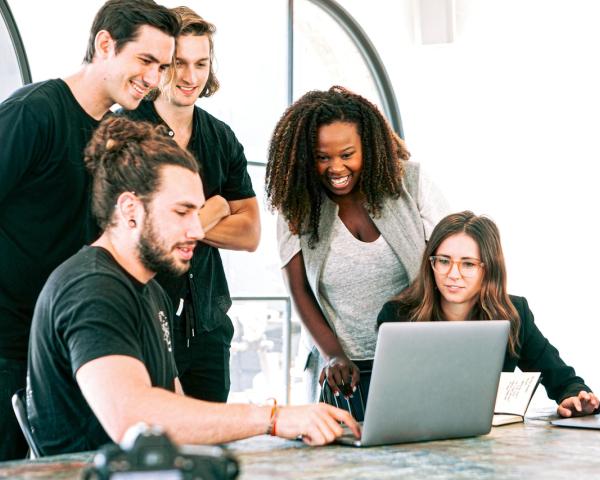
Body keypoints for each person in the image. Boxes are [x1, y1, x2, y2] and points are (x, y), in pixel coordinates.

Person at [26, 116, 359, 456]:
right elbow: (134, 419)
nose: (198, 231)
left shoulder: (151, 291)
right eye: (182, 212)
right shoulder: (92, 288)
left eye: (197, 212)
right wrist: (272, 419)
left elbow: (178, 410)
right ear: (130, 209)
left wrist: (284, 428)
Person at [0, 0, 179, 460]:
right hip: (7, 346)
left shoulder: (118, 133)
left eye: (162, 66)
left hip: (71, 345)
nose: (154, 79)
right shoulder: (32, 113)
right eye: (145, 60)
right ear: (105, 44)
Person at [266, 86, 449, 405]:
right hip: (343, 372)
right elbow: (299, 290)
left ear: (369, 146)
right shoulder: (295, 204)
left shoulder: (411, 183)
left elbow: (449, 264)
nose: (335, 168)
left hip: (417, 357)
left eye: (347, 154)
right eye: (323, 157)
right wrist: (333, 355)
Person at [122, 6, 260, 403]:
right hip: (143, 322)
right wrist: (216, 208)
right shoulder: (126, 131)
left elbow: (250, 233)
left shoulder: (221, 137)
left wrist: (180, 222)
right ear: (160, 64)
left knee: (210, 450)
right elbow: (134, 233)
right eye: (178, 63)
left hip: (209, 327)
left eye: (201, 63)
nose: (190, 76)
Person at [377, 211, 600, 417]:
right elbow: (388, 398)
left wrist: (574, 397)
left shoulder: (514, 314)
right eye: (444, 261)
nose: (453, 274)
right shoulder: (398, 316)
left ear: (488, 269)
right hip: (413, 439)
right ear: (431, 264)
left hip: (487, 443)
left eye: (468, 264)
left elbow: (562, 379)